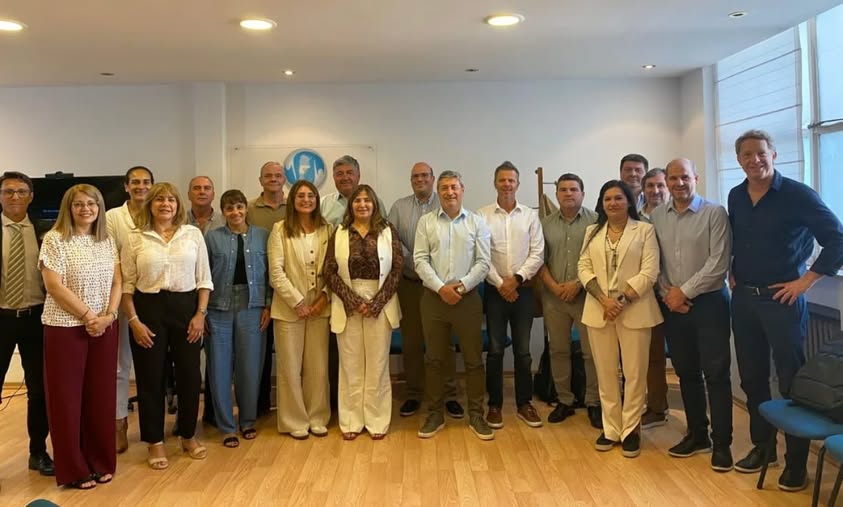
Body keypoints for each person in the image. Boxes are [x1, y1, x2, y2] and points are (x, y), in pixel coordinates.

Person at [729, 130, 843, 491]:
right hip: (744, 300)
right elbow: (738, 240)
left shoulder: (797, 195)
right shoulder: (736, 196)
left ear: (774, 155)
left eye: (760, 153)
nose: (754, 160)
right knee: (752, 378)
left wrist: (805, 282)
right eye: (747, 154)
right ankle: (764, 449)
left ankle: (796, 464)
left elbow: (837, 239)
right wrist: (732, 269)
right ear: (739, 160)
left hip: (783, 301)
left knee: (791, 380)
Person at [121, 182, 213, 470]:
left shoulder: (192, 234)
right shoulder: (136, 237)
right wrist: (134, 321)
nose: (165, 204)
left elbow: (204, 279)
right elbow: (126, 285)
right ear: (150, 204)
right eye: (159, 199)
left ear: (178, 205)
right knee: (150, 378)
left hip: (186, 309)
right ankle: (154, 441)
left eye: (171, 200)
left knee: (189, 375)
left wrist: (200, 315)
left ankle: (188, 435)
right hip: (148, 310)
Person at [651, 158, 734, 472]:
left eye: (684, 177)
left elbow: (718, 263)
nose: (679, 183)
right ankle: (698, 435)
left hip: (710, 303)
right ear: (667, 182)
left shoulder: (714, 213)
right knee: (686, 373)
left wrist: (683, 292)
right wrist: (668, 294)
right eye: (673, 178)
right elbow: (656, 262)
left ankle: (722, 443)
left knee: (716, 374)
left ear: (695, 178)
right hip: (674, 306)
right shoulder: (657, 215)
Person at [39, 184, 121, 489]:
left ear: (99, 208)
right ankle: (74, 468)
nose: (86, 209)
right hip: (65, 328)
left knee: (100, 397)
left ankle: (100, 461)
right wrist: (88, 316)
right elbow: (54, 286)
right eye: (79, 204)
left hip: (104, 326)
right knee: (66, 400)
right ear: (68, 208)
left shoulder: (106, 239)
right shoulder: (55, 239)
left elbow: (118, 281)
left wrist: (109, 316)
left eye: (91, 203)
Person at [578, 180, 662, 458]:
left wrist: (621, 301)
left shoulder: (645, 230)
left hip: (634, 310)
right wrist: (604, 300)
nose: (612, 203)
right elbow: (583, 267)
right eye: (607, 199)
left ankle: (631, 430)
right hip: (599, 309)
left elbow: (650, 271)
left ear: (629, 201)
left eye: (618, 198)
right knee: (605, 373)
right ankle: (611, 428)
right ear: (601, 204)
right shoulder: (592, 232)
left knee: (635, 374)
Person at [415, 171, 492, 440]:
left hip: (467, 299)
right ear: (438, 192)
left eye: (454, 187)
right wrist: (441, 288)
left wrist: (460, 287)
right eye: (445, 188)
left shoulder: (476, 222)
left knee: (473, 360)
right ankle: (435, 414)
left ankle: (477, 415)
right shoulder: (426, 222)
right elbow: (420, 260)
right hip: (433, 299)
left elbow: (483, 262)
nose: (450, 192)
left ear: (462, 190)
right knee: (434, 360)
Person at [324, 184, 402, 440]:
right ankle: (351, 420)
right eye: (357, 201)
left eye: (367, 200)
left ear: (375, 204)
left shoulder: (388, 231)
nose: (362, 205)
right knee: (350, 364)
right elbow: (329, 271)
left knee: (378, 363)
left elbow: (397, 269)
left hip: (381, 302)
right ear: (351, 206)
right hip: (348, 303)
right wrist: (354, 301)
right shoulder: (339, 232)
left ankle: (377, 420)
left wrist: (376, 303)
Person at [387, 162, 463, 419]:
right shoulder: (399, 207)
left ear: (432, 179)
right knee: (411, 342)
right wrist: (416, 262)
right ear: (411, 181)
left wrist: (432, 271)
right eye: (415, 176)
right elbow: (391, 240)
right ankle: (414, 393)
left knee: (444, 341)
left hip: (441, 287)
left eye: (424, 175)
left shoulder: (446, 203)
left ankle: (448, 394)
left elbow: (455, 242)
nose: (420, 179)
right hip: (410, 283)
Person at [478, 161, 544, 429]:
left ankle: (524, 403)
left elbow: (537, 253)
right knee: (495, 350)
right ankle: (494, 405)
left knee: (523, 351)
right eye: (502, 180)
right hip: (494, 292)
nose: (506, 184)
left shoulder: (529, 216)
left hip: (523, 292)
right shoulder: (481, 215)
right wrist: (501, 284)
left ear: (517, 184)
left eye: (511, 180)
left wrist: (515, 280)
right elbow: (480, 255)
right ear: (495, 183)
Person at [204, 190, 271, 447]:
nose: (235, 212)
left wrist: (268, 305)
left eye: (240, 207)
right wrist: (202, 311)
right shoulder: (212, 238)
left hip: (253, 305)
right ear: (223, 211)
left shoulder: (263, 236)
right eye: (230, 208)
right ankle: (226, 426)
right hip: (218, 306)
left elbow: (271, 275)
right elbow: (203, 275)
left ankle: (247, 421)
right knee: (219, 367)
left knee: (250, 366)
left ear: (246, 208)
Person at [268, 180, 332, 439]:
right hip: (289, 309)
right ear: (292, 200)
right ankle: (294, 420)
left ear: (317, 200)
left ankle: (317, 416)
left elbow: (334, 268)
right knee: (290, 368)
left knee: (318, 367)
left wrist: (323, 298)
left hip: (320, 308)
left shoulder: (327, 229)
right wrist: (298, 303)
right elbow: (276, 272)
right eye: (301, 196)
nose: (306, 200)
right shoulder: (280, 229)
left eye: (311, 195)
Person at [0, 171, 54, 477]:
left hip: (36, 318)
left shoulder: (46, 231)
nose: (15, 197)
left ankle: (38, 452)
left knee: (39, 390)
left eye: (21, 191)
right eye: (8, 191)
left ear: (31, 196)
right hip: (1, 317)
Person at [538, 173, 601, 427]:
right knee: (559, 350)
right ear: (556, 194)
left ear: (582, 194)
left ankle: (593, 402)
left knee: (591, 352)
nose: (568, 194)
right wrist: (555, 287)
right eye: (563, 190)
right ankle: (564, 400)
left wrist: (577, 284)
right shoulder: (544, 224)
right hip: (554, 298)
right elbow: (539, 261)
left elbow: (600, 261)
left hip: (587, 296)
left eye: (573, 189)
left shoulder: (596, 222)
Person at [107, 165, 154, 454]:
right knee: (119, 364)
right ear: (126, 186)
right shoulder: (113, 217)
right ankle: (119, 423)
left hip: (152, 297)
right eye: (135, 182)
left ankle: (153, 425)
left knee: (154, 364)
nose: (141, 186)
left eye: (146, 182)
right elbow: (110, 255)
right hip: (121, 296)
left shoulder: (159, 211)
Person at [247, 161, 287, 416]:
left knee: (288, 353)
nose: (273, 179)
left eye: (278, 175)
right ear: (260, 180)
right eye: (268, 175)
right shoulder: (249, 209)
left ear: (284, 179)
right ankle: (259, 406)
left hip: (289, 289)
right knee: (259, 353)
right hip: (259, 289)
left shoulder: (294, 207)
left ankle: (288, 406)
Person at [637, 167, 671, 429]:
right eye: (650, 186)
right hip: (647, 294)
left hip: (677, 293)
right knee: (653, 355)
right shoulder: (635, 218)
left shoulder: (675, 215)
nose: (655, 190)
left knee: (685, 355)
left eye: (661, 185)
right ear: (643, 189)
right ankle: (657, 408)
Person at [320, 155, 386, 226]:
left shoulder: (375, 202)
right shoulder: (323, 203)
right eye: (340, 174)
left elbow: (383, 229)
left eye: (349, 173)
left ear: (358, 176)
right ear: (334, 177)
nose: (345, 178)